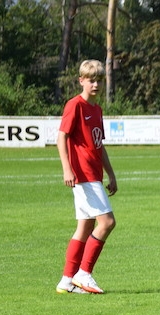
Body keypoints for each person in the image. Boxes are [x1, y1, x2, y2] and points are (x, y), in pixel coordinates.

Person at [56, 59, 118, 294]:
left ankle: (66, 280)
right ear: (81, 80)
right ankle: (84, 273)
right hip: (83, 176)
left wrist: (110, 173)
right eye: (91, 80)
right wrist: (67, 168)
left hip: (94, 175)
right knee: (107, 222)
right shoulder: (75, 105)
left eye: (100, 80)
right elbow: (61, 137)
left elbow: (99, 145)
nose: (96, 85)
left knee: (85, 227)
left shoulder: (97, 109)